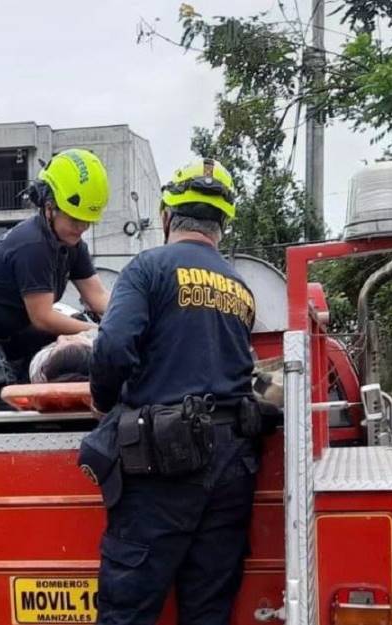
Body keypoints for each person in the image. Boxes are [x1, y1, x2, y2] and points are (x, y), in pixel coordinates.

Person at [80, 159, 261, 625]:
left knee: (128, 609)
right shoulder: (240, 288)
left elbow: (114, 345)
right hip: (232, 464)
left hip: (164, 464)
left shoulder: (149, 268)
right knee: (208, 609)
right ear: (222, 224)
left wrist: (102, 401)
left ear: (166, 215)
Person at [0, 149, 110, 401]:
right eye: (74, 220)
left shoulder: (71, 244)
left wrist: (128, 323)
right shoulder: (33, 244)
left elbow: (98, 296)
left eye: (87, 222)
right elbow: (43, 318)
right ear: (49, 207)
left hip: (12, 338)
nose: (81, 228)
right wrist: (99, 332)